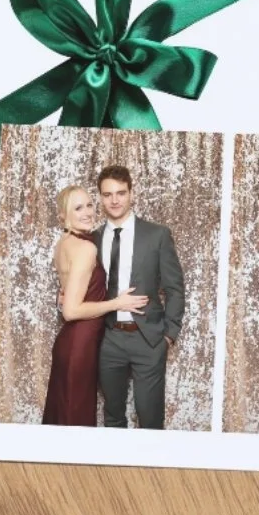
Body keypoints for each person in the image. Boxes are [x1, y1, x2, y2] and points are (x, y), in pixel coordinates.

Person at [42, 186, 147, 426]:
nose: (88, 212)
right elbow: (71, 311)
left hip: (73, 344)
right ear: (63, 215)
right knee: (73, 422)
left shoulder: (64, 244)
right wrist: (117, 303)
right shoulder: (86, 248)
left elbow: (68, 297)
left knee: (62, 420)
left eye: (89, 205)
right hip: (79, 344)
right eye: (78, 208)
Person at [94, 165, 185, 429]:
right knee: (112, 417)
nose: (114, 200)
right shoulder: (93, 238)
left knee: (150, 420)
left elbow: (175, 288)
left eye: (120, 193)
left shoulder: (157, 235)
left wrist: (168, 335)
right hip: (107, 338)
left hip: (149, 339)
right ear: (100, 197)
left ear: (131, 193)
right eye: (107, 194)